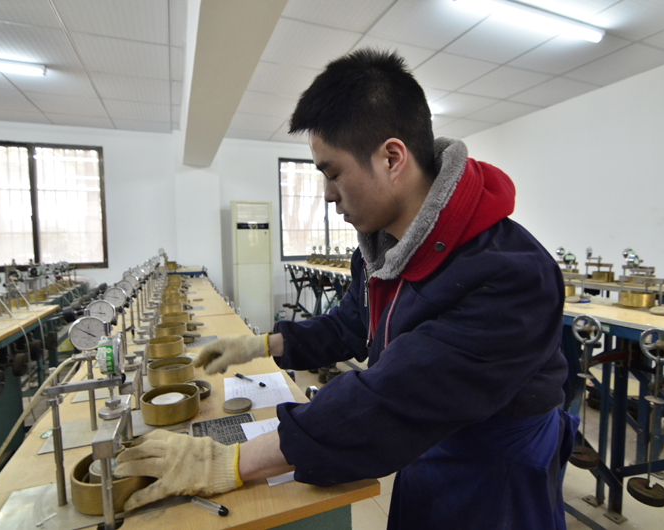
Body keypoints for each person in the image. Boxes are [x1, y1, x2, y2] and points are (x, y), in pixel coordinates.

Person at [116, 48, 578, 529]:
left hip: (496, 472)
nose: (327, 194)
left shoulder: (511, 275)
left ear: (392, 158)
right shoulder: (384, 248)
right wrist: (262, 344)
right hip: (426, 446)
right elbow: (353, 324)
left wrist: (232, 461)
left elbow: (394, 399)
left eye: (333, 173)